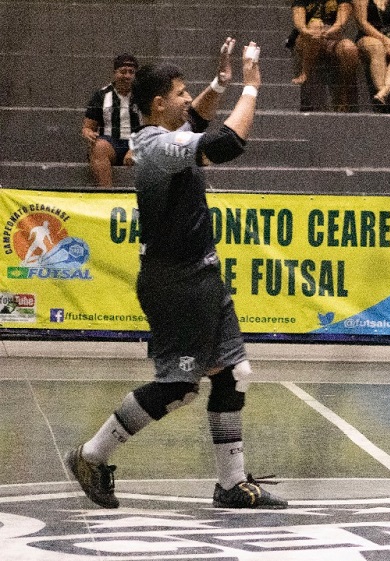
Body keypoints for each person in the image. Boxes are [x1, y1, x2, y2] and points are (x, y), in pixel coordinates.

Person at [64, 38, 287, 510]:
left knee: (233, 373)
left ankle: (231, 484)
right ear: (158, 103)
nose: (188, 99)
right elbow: (226, 143)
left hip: (201, 277)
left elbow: (198, 121)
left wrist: (220, 84)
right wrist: (250, 87)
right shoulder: (157, 147)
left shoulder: (165, 134)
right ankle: (91, 455)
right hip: (177, 284)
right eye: (180, 93)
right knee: (179, 387)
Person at [82, 53, 141, 187]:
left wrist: (135, 148)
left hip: (139, 141)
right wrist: (88, 133)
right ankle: (107, 193)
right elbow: (88, 127)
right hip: (111, 143)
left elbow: (153, 126)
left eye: (131, 72)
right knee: (98, 147)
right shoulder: (101, 95)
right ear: (115, 73)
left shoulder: (144, 95)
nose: (127, 76)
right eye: (123, 72)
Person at [289, 0, 360, 110]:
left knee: (349, 48)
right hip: (306, 38)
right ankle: (305, 72)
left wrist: (326, 33)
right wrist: (311, 32)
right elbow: (300, 25)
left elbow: (340, 23)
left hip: (332, 37)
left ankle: (345, 94)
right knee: (315, 25)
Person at [354, 0, 390, 106]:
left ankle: (382, 93)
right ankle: (383, 91)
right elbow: (362, 23)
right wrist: (385, 40)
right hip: (369, 36)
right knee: (377, 47)